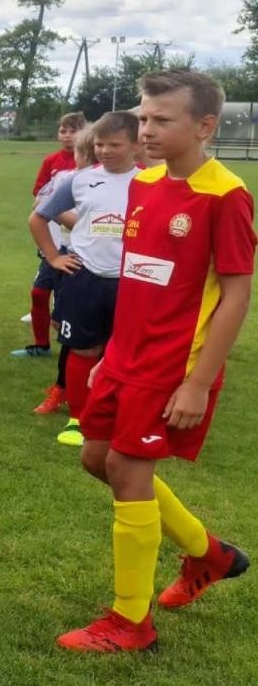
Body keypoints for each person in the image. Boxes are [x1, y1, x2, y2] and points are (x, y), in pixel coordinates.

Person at [58, 71, 254, 652]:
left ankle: (130, 622)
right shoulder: (144, 185)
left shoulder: (225, 195)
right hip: (125, 356)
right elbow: (139, 281)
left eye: (161, 120)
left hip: (173, 364)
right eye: (143, 117)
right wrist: (110, 354)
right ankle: (209, 554)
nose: (146, 129)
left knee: (128, 470)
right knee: (97, 458)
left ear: (205, 126)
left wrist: (197, 382)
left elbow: (238, 293)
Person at [28, 115, 136, 443]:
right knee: (81, 350)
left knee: (123, 352)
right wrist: (53, 257)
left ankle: (117, 415)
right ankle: (78, 418)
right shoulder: (79, 180)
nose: (104, 151)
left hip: (130, 279)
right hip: (84, 276)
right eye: (99, 144)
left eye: (114, 145)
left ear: (135, 145)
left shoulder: (149, 182)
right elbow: (38, 217)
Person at [14, 112, 85, 358]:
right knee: (39, 292)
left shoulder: (95, 167)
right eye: (63, 130)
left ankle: (74, 345)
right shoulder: (52, 161)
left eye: (72, 130)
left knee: (69, 302)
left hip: (80, 243)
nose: (67, 136)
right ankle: (41, 345)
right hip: (53, 236)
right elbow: (39, 193)